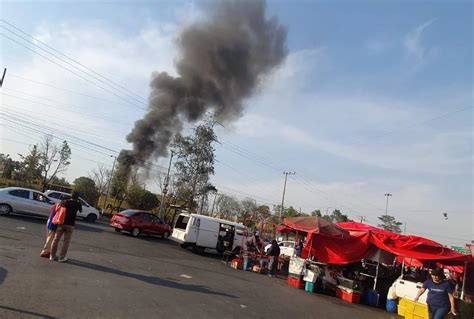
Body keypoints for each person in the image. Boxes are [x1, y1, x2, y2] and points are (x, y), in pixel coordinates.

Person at [50, 191, 82, 262]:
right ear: (77, 197)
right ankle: (61, 257)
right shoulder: (78, 203)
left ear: (71, 195)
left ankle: (52, 256)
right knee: (66, 242)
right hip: (70, 224)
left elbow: (58, 208)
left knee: (56, 239)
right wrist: (78, 202)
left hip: (61, 222)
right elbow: (80, 211)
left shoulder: (65, 202)